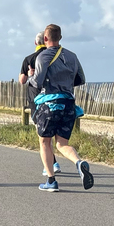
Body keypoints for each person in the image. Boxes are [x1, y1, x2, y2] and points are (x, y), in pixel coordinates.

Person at [29, 24, 94, 192]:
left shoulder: (43, 56)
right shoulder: (72, 56)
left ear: (45, 38)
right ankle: (79, 163)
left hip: (50, 104)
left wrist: (31, 76)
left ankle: (51, 181)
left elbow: (37, 82)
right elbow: (81, 79)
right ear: (60, 38)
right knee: (62, 143)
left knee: (45, 141)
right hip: (68, 104)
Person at [20, 32, 60, 176]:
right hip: (53, 95)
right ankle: (53, 162)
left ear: (35, 42)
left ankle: (51, 164)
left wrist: (30, 74)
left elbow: (22, 80)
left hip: (36, 99)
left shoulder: (29, 59)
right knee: (53, 133)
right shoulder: (54, 57)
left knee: (42, 135)